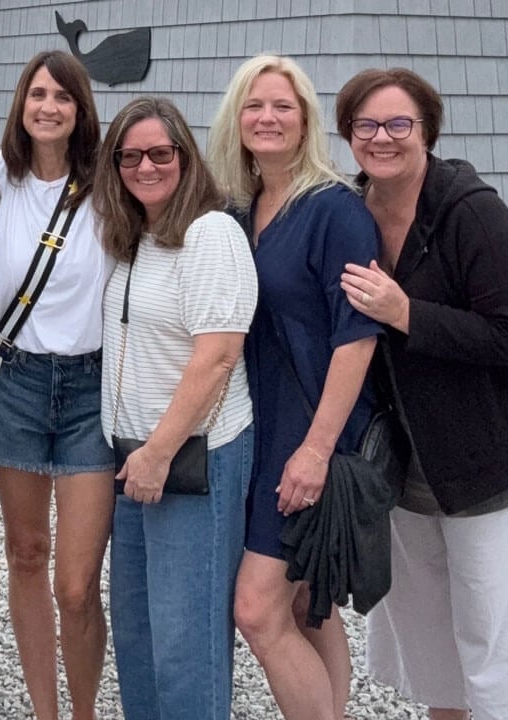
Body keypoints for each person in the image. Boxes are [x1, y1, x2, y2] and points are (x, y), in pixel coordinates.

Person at [335, 67, 508, 720]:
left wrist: (407, 312)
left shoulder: (472, 212)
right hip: (409, 469)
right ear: (348, 134)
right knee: (432, 644)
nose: (382, 137)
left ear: (427, 131)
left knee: (500, 639)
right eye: (366, 124)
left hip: (491, 461)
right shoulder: (352, 212)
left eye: (398, 124)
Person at [205, 54, 381, 720]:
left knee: (256, 608)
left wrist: (316, 449)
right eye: (255, 105)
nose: (268, 117)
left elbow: (356, 335)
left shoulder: (335, 209)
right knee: (307, 602)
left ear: (305, 118)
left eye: (283, 105)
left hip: (309, 431)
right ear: (236, 118)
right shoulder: (237, 204)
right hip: (255, 421)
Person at [94, 95, 257, 720]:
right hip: (135, 458)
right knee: (138, 634)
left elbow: (216, 358)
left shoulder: (210, 234)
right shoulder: (135, 234)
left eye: (160, 153)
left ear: (185, 158)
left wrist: (159, 453)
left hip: (190, 461)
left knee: (186, 644)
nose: (145, 167)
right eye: (129, 156)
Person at [0, 50, 114, 720]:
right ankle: (45, 711)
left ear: (80, 108)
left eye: (63, 96)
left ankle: (83, 710)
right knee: (26, 555)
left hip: (93, 388)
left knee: (77, 582)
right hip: (20, 381)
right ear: (20, 103)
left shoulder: (108, 183)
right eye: (37, 94)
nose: (49, 107)